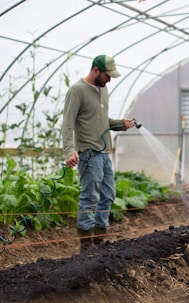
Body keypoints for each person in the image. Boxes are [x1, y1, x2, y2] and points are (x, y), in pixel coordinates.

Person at [62, 54, 135, 252]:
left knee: (108, 195)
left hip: (104, 153)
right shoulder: (77, 91)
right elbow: (67, 125)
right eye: (107, 75)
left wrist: (121, 124)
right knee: (90, 197)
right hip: (89, 153)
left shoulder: (103, 90)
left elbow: (102, 121)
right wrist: (69, 150)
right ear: (96, 70)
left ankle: (100, 241)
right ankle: (86, 246)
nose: (109, 79)